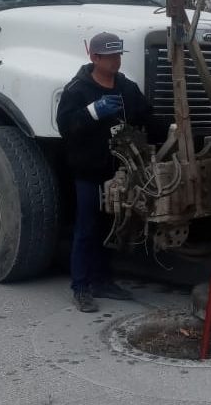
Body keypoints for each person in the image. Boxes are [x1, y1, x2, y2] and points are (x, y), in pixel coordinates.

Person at [56, 32, 150, 313]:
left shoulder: (126, 88)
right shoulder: (77, 89)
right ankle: (81, 287)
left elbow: (145, 115)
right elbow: (65, 127)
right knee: (86, 228)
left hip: (118, 172)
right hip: (88, 171)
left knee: (112, 227)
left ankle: (102, 281)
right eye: (110, 56)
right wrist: (92, 112)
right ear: (94, 58)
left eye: (118, 55)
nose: (116, 61)